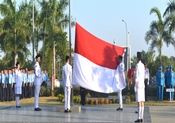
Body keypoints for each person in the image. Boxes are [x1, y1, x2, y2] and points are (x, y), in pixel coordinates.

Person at [134, 52, 145, 123]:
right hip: (142, 85)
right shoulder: (143, 65)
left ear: (138, 58)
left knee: (139, 102)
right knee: (142, 101)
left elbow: (137, 77)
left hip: (138, 85)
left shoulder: (137, 65)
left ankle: (139, 117)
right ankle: (141, 117)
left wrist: (135, 85)